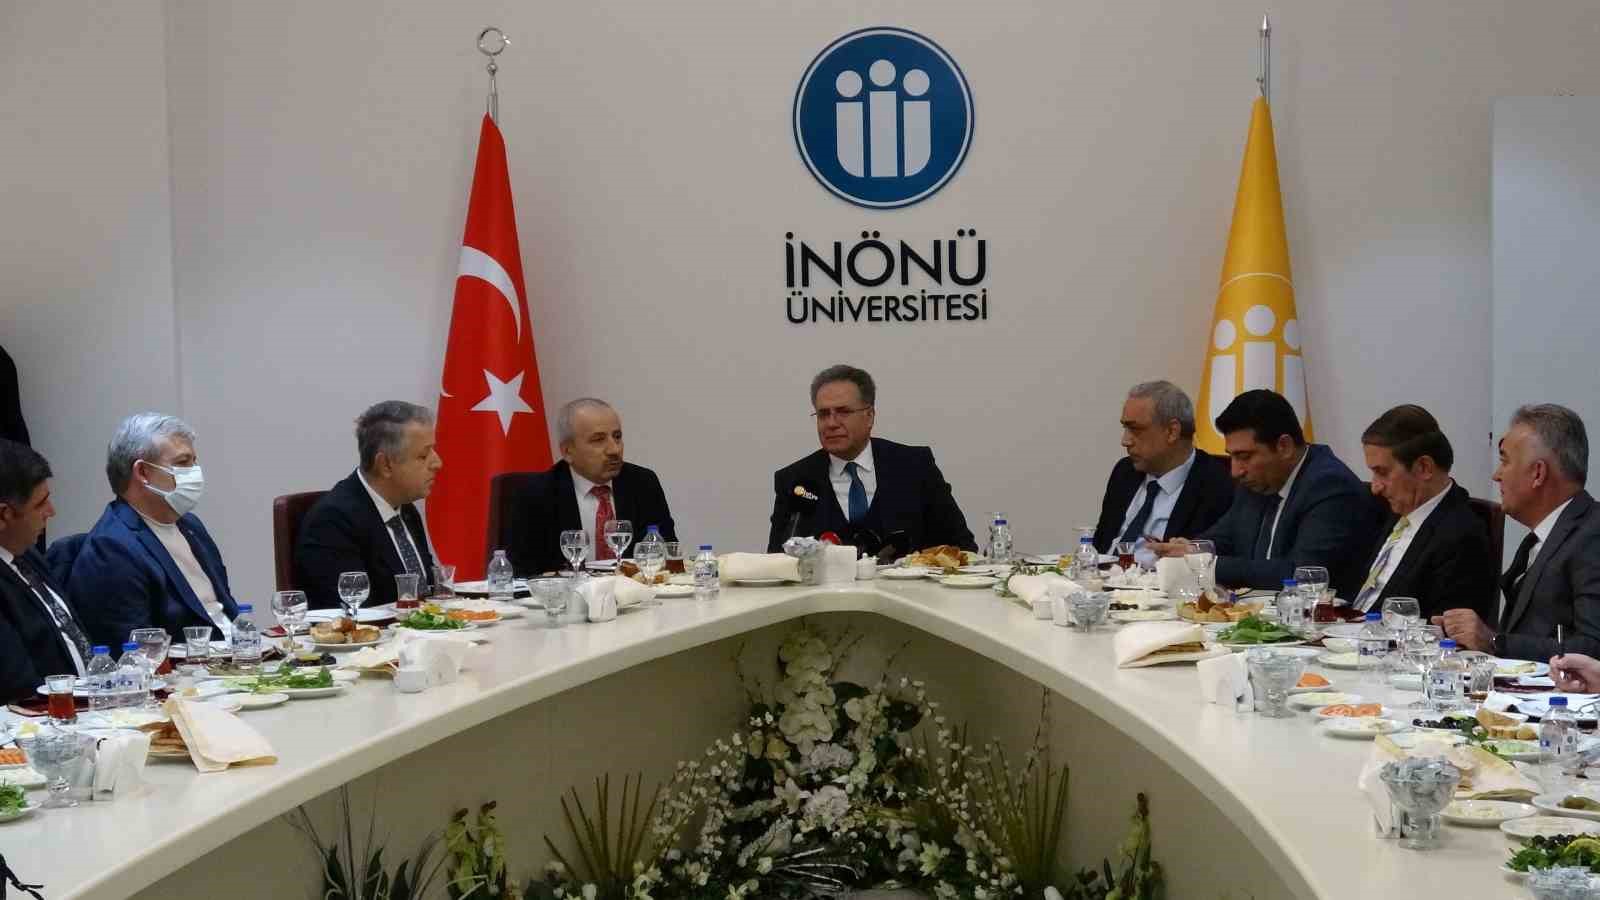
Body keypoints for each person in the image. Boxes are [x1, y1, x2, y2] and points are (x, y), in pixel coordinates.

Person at [1149, 389, 1376, 598]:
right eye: (1232, 456)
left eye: (1244, 456)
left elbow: (1301, 573)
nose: (1235, 471)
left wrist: (1207, 564)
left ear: (1284, 446)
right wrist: (1192, 549)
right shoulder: (1259, 480)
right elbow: (1225, 536)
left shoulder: (1330, 486)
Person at [1434, 404, 1600, 660]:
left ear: (1538, 473)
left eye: (1505, 461)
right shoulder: (1543, 537)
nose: (1496, 475)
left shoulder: (1592, 536)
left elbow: (1593, 648)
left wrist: (1493, 642)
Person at [68, 414, 239, 649]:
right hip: (193, 666)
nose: (195, 472)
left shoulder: (191, 525)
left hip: (237, 654)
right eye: (183, 463)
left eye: (194, 462)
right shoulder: (112, 548)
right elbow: (135, 652)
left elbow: (225, 608)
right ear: (143, 473)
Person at [767, 364, 975, 558]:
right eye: (823, 414)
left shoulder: (915, 466)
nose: (831, 423)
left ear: (869, 417)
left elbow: (962, 548)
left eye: (843, 412)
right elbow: (777, 561)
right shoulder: (795, 480)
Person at [1353, 404, 1495, 620]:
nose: (1375, 487)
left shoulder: (1461, 536)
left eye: (1382, 472)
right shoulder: (1394, 509)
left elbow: (1443, 629)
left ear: (1424, 468)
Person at [506, 398, 677, 575]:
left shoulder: (643, 483)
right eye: (598, 440)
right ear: (567, 451)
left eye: (617, 437)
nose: (614, 450)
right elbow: (522, 572)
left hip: (634, 590)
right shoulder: (536, 494)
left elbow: (666, 554)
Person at [296, 401, 441, 609]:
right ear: (385, 464)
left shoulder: (405, 508)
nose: (437, 463)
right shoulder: (332, 521)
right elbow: (353, 612)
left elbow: (428, 590)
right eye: (423, 456)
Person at [1091, 381, 1233, 564]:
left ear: (1172, 431)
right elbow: (1100, 546)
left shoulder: (1216, 484)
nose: (1125, 441)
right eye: (1125, 429)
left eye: (1135, 429)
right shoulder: (1124, 472)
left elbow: (1205, 561)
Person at [0, 440, 91, 704]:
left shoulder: (26, 553)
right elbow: (20, 690)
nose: (51, 512)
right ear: (4, 515)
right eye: (40, 504)